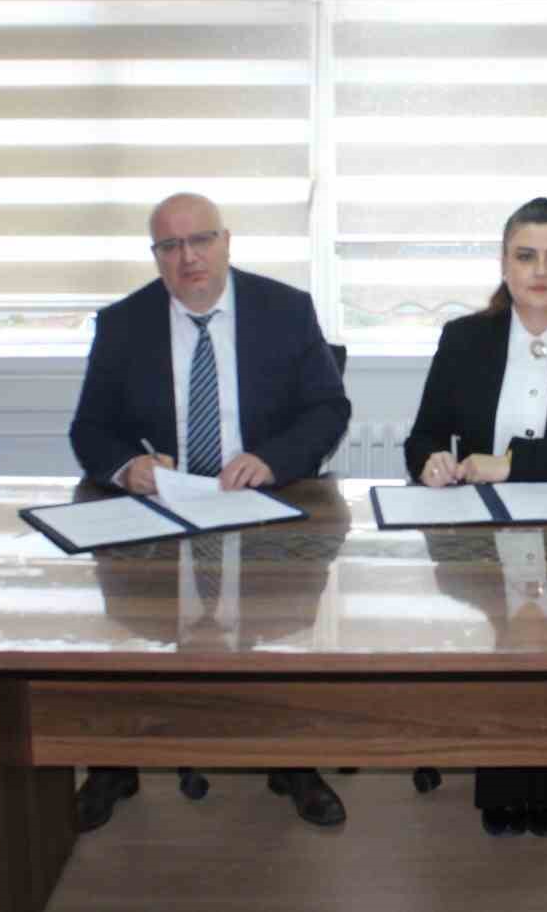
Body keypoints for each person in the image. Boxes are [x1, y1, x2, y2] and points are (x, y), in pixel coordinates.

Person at [69, 191, 351, 832]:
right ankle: (115, 759)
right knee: (131, 620)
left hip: (262, 502)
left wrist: (272, 460)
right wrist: (128, 467)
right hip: (163, 508)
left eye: (200, 240)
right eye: (170, 245)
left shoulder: (285, 310)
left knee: (279, 619)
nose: (188, 257)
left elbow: (328, 410)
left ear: (226, 242)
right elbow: (90, 428)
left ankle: (293, 760)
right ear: (156, 255)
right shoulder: (123, 323)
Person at [403, 196, 547, 835]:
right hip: (483, 532)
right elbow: (422, 436)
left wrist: (510, 464)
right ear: (504, 264)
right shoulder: (465, 339)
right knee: (505, 636)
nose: (540, 271)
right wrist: (430, 461)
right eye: (526, 256)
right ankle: (503, 789)